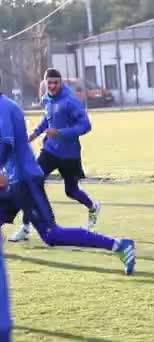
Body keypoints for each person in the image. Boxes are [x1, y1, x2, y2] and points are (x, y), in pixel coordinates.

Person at [0, 83, 136, 275]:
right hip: (15, 180)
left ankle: (119, 245)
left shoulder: (3, 107)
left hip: (25, 180)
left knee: (52, 235)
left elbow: (5, 146)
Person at [10, 69, 101, 242]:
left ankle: (93, 207)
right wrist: (35, 133)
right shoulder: (46, 99)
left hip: (70, 154)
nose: (52, 86)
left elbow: (85, 125)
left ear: (61, 83)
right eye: (49, 83)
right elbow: (48, 119)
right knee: (31, 183)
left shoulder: (70, 101)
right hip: (50, 151)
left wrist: (61, 133)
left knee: (71, 191)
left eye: (55, 83)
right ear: (45, 83)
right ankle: (26, 227)